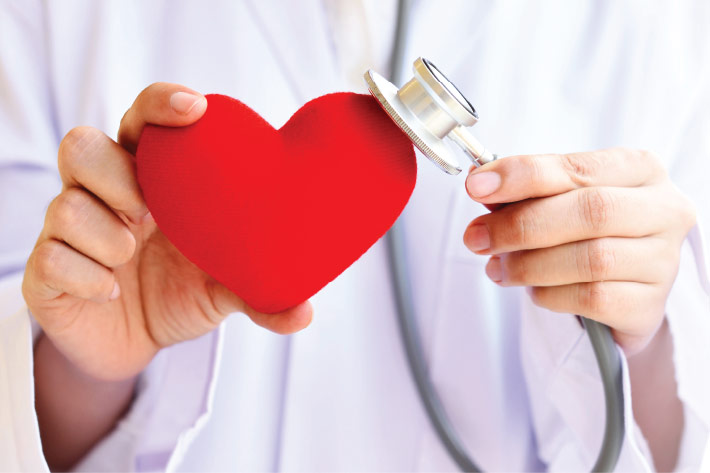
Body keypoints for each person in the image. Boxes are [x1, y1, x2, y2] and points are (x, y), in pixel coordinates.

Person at [1, 1, 708, 471]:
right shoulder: (51, 15)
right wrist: (85, 367)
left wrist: (636, 332)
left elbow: (678, 438)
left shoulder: (658, 25)